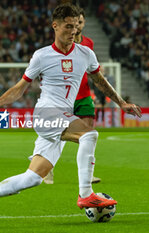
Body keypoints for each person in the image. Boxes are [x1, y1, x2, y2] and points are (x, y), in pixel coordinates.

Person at [0, 3, 142, 223]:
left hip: (63, 116)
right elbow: (21, 87)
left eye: (76, 26)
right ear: (55, 26)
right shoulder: (42, 56)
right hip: (46, 114)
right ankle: (86, 194)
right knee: (89, 134)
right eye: (68, 26)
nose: (73, 31)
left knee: (32, 178)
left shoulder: (86, 53)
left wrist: (121, 102)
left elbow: (100, 80)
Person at [43, 7, 101, 185]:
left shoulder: (88, 44)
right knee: (57, 134)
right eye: (75, 24)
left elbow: (92, 70)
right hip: (64, 97)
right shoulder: (63, 43)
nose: (77, 27)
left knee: (88, 134)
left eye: (80, 23)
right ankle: (46, 167)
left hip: (84, 95)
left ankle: (87, 174)